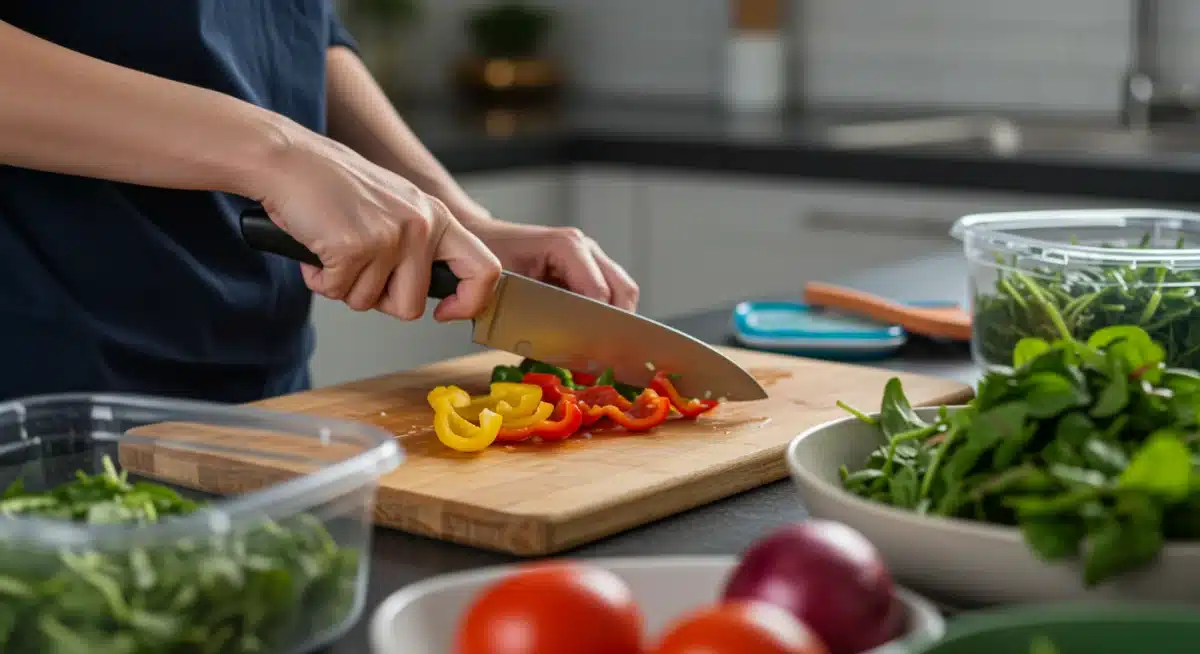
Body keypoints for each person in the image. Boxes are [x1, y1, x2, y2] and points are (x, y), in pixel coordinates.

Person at [0, 4, 637, 403]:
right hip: (44, 400)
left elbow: (297, 27)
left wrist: (457, 219)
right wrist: (276, 152)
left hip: (267, 391)